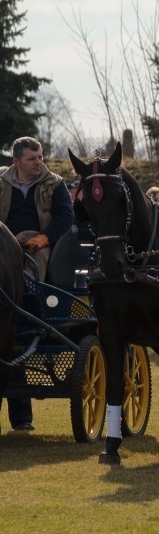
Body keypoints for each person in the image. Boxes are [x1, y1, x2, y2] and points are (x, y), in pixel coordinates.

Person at [0, 136, 73, 432]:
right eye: (32, 158)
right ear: (16, 162)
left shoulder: (55, 184)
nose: (39, 162)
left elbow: (65, 217)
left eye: (40, 157)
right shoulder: (1, 182)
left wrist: (45, 238)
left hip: (38, 244)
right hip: (4, 242)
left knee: (31, 266)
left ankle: (24, 300)